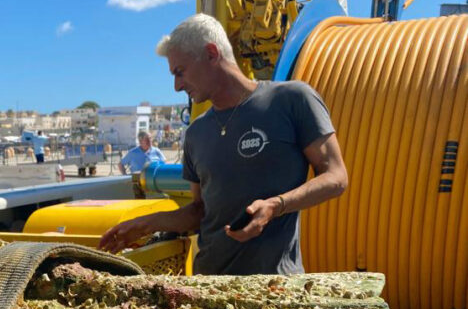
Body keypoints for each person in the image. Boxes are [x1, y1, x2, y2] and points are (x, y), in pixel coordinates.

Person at [100, 14, 348, 276]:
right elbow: (199, 211)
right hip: (209, 283)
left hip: (276, 287)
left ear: (211, 53)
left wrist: (277, 205)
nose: (176, 86)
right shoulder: (196, 133)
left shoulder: (292, 100)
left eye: (180, 72)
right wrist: (144, 224)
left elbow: (336, 177)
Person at [118, 131, 166, 198]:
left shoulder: (156, 151)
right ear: (140, 141)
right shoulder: (133, 153)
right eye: (147, 139)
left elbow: (164, 163)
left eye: (150, 138)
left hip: (154, 183)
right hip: (138, 185)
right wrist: (125, 176)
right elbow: (121, 164)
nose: (150, 141)